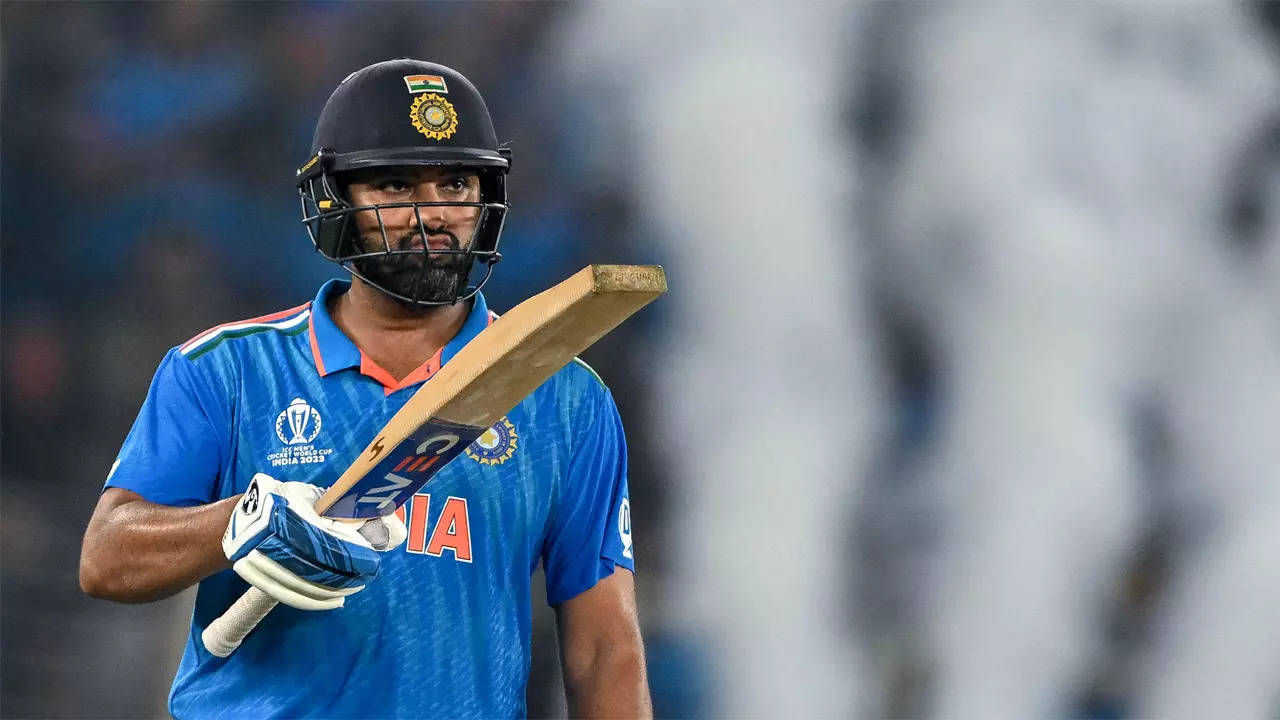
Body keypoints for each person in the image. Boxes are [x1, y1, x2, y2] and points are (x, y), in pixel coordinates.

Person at [79, 58, 651, 719]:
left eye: (456, 183)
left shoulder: (563, 397)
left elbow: (605, 649)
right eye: (394, 184)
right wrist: (244, 520)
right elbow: (107, 558)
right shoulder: (222, 369)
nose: (431, 214)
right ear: (335, 201)